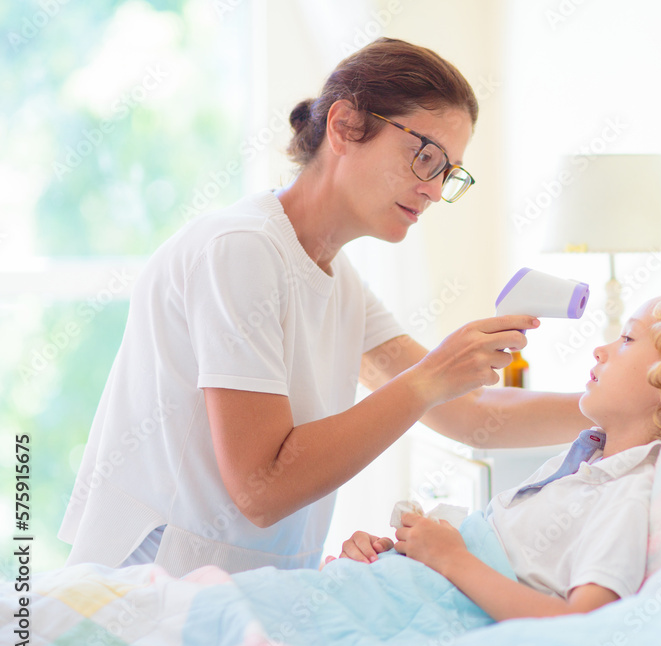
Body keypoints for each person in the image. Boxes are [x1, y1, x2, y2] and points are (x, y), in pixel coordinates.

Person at [58, 38, 592, 576]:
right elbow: (261, 488)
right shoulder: (242, 249)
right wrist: (430, 378)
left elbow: (468, 412)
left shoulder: (337, 278)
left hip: (244, 590)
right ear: (344, 126)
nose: (434, 191)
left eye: (447, 173)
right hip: (155, 587)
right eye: (425, 157)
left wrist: (611, 407)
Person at [338, 288, 661, 620]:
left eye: (627, 340)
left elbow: (583, 625)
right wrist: (401, 555)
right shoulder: (583, 465)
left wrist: (450, 558)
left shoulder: (626, 495)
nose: (600, 349)